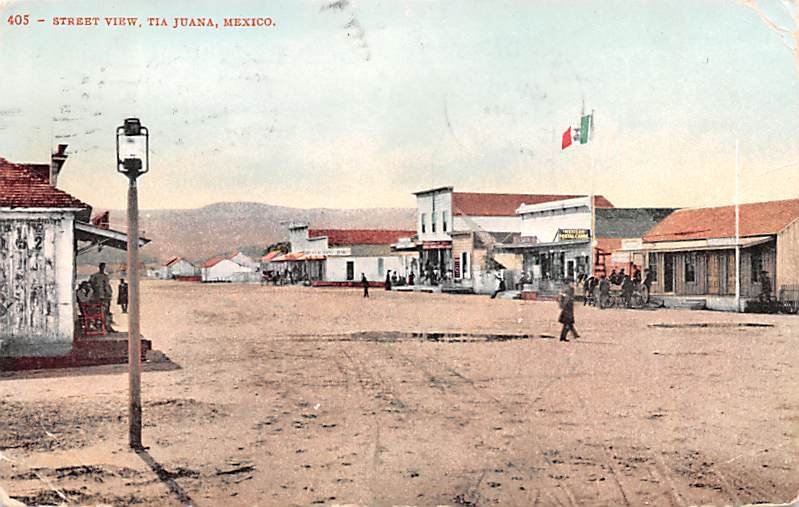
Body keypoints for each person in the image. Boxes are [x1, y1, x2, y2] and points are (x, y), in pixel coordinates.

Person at [89, 262, 115, 332]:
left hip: (106, 296)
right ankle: (99, 325)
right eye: (102, 267)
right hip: (98, 297)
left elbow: (107, 286)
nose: (103, 268)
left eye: (104, 267)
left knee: (106, 311)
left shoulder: (105, 276)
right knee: (99, 311)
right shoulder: (95, 276)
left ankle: (107, 326)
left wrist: (109, 294)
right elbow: (91, 285)